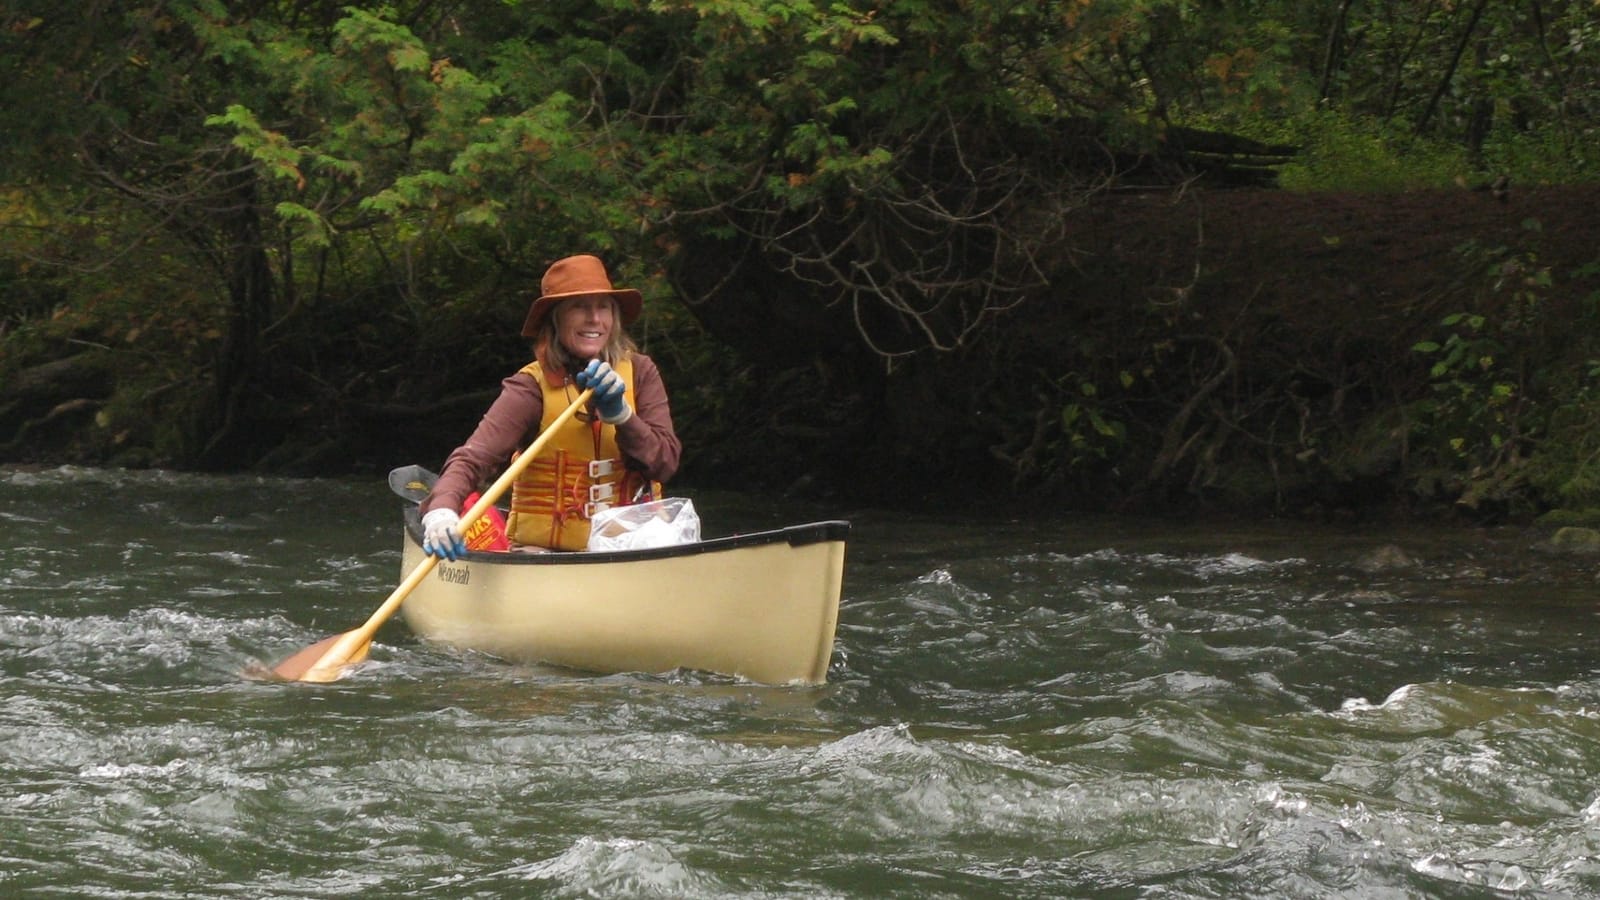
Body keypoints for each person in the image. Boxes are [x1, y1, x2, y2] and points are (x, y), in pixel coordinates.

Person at [419, 254, 681, 557]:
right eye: (580, 307)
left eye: (603, 306)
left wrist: (622, 416)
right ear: (556, 318)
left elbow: (666, 463)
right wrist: (440, 512)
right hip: (544, 552)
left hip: (634, 549)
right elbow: (472, 460)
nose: (594, 319)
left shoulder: (641, 372)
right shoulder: (530, 387)